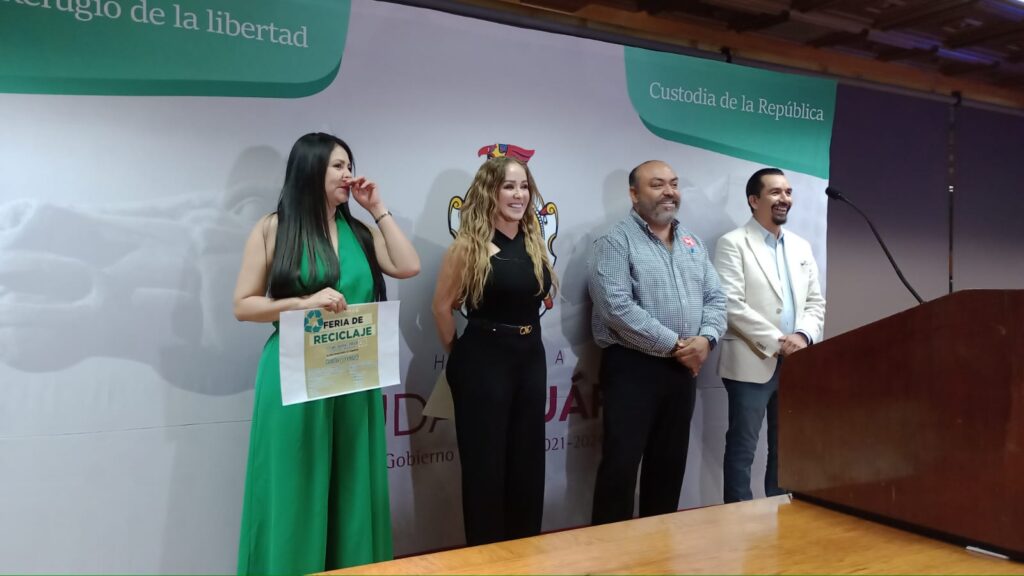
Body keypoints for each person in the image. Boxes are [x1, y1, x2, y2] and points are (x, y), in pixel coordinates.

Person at [233, 132, 420, 574]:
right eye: (337, 166)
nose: (347, 174)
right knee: (296, 486)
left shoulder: (359, 231)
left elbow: (408, 265)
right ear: (310, 169)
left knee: (352, 486)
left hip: (352, 374)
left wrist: (378, 209)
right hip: (293, 376)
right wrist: (301, 303)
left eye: (349, 165)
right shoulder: (273, 228)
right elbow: (243, 305)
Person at [589, 160, 726, 525]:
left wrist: (707, 339)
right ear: (634, 194)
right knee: (620, 469)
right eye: (657, 184)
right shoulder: (615, 241)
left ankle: (658, 549)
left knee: (668, 468)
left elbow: (716, 298)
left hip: (682, 372)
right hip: (633, 369)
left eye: (674, 184)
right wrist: (679, 346)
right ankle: (607, 551)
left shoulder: (692, 242)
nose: (669, 192)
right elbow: (616, 308)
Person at [431, 155, 556, 546]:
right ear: (490, 192)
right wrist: (461, 357)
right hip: (483, 363)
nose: (519, 195)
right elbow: (442, 307)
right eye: (509, 186)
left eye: (524, 187)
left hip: (530, 359)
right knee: (485, 469)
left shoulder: (533, 242)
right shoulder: (468, 246)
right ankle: (487, 560)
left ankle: (525, 555)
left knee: (528, 464)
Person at [713, 167, 825, 503]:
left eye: (788, 192)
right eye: (775, 192)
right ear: (754, 200)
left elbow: (815, 302)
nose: (784, 199)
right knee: (743, 449)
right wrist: (780, 343)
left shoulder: (801, 246)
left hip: (796, 363)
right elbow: (730, 304)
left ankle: (781, 515)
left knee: (785, 448)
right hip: (752, 361)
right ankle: (738, 519)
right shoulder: (733, 243)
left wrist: (803, 335)